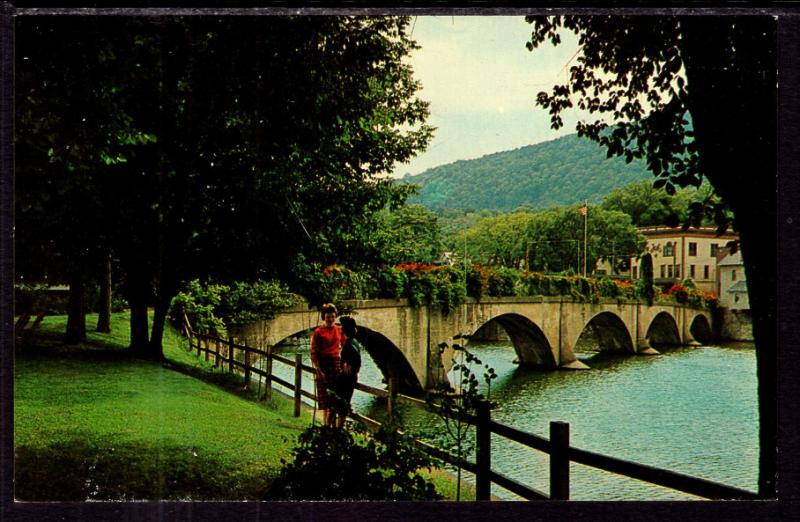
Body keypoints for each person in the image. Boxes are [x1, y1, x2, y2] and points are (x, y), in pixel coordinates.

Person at [310, 303, 342, 427]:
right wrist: (318, 370)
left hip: (335, 364)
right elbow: (313, 352)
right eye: (328, 317)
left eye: (333, 316)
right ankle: (326, 426)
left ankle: (333, 426)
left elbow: (345, 346)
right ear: (324, 317)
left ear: (335, 316)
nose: (330, 319)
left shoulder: (339, 330)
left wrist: (346, 364)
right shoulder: (318, 332)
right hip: (323, 365)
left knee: (335, 397)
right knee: (325, 401)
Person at [333, 316, 362, 428]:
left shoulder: (349, 344)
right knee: (341, 404)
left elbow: (356, 361)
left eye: (341, 327)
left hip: (347, 379)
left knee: (342, 405)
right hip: (348, 378)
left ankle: (337, 429)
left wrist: (349, 366)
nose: (339, 329)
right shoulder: (353, 342)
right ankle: (336, 428)